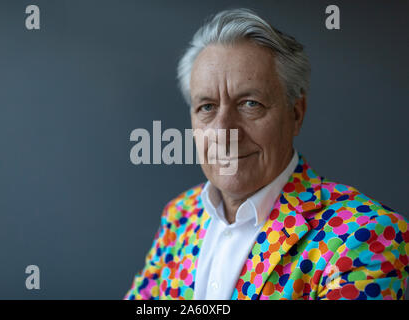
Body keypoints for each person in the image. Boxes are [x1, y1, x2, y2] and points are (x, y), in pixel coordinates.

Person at [125, 8, 408, 300]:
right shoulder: (180, 215)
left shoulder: (364, 234)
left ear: (296, 114)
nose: (224, 132)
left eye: (250, 103)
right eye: (207, 107)